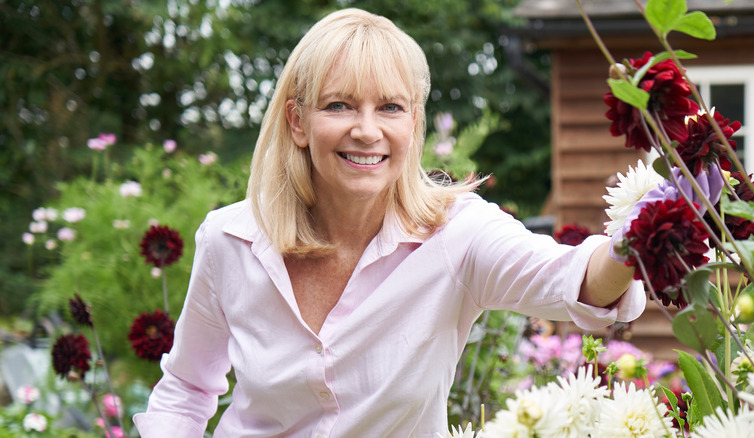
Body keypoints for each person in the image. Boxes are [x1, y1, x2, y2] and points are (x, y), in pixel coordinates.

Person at [133, 8, 644, 437]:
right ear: (297, 122)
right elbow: (186, 389)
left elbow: (578, 280)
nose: (367, 130)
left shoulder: (457, 235)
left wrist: (645, 229)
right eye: (340, 105)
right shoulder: (230, 239)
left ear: (414, 123)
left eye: (390, 107)